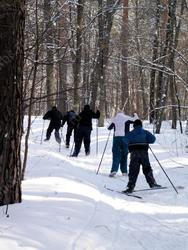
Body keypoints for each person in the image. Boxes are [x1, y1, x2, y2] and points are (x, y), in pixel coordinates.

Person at [123, 119, 161, 193]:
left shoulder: (130, 133)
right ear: (141, 125)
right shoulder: (145, 132)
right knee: (147, 168)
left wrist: (130, 141)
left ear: (134, 126)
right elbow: (153, 139)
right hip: (144, 153)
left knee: (133, 170)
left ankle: (131, 186)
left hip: (134, 154)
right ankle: (152, 183)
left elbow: (124, 140)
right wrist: (146, 140)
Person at [108, 112, 139, 177]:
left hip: (116, 139)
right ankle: (124, 171)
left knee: (116, 154)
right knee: (124, 154)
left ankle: (114, 170)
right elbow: (136, 120)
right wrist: (135, 114)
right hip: (125, 138)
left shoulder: (115, 119)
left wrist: (113, 121)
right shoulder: (126, 118)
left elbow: (109, 127)